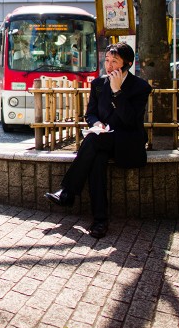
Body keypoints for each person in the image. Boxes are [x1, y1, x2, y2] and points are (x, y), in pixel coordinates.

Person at [44, 42, 152, 239]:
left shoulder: (140, 87)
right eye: (107, 61)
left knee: (93, 143)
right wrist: (98, 123)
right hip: (103, 140)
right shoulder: (98, 84)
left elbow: (129, 121)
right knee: (96, 161)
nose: (109, 66)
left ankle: (68, 192)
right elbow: (90, 114)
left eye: (115, 62)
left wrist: (118, 92)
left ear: (127, 64)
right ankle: (99, 221)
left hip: (127, 142)